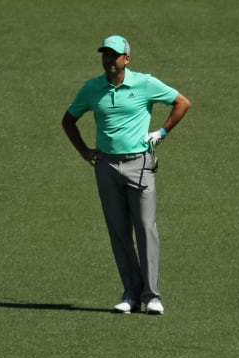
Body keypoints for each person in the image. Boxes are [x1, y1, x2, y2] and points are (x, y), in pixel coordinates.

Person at [62, 34, 191, 315]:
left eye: (114, 55)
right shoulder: (91, 89)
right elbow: (68, 120)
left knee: (145, 229)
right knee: (119, 233)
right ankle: (131, 294)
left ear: (126, 59)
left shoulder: (145, 83)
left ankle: (152, 296)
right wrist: (85, 152)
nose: (109, 60)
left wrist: (162, 132)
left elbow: (182, 102)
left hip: (140, 164)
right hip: (106, 166)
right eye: (105, 55)